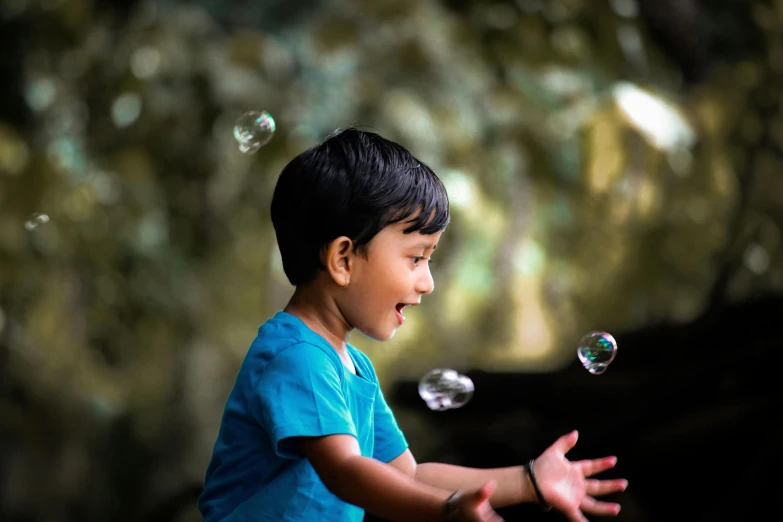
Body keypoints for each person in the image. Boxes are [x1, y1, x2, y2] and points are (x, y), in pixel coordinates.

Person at [198, 128, 628, 522]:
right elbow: (345, 470)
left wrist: (528, 480)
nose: (428, 282)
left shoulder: (353, 367)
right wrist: (447, 512)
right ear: (343, 259)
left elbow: (409, 475)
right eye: (416, 257)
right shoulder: (298, 359)